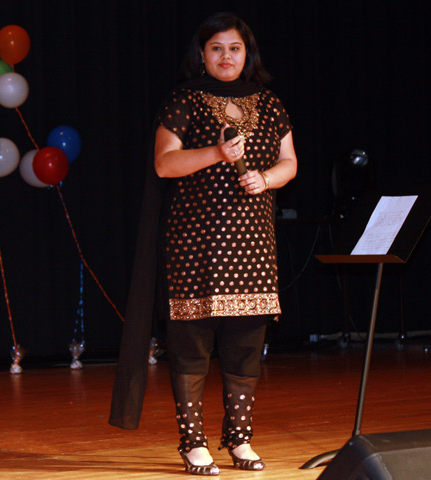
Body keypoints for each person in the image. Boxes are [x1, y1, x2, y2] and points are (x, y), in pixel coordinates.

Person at [109, 12, 297, 476]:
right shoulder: (184, 99)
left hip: (252, 245)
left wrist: (266, 177)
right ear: (201, 54)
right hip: (196, 245)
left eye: (234, 48)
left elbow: (290, 162)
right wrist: (215, 153)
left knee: (245, 347)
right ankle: (193, 444)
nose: (226, 57)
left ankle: (240, 440)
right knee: (191, 345)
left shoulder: (270, 104)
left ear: (247, 53)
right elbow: (164, 164)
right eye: (216, 48)